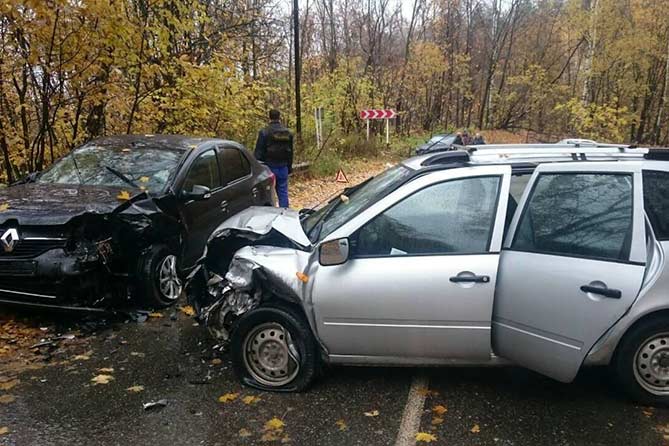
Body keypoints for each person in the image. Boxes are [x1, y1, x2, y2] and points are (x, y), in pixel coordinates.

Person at [254, 109, 293, 208]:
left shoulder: (264, 132)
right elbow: (290, 152)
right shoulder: (288, 133)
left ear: (269, 117)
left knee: (269, 194)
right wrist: (289, 167)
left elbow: (258, 152)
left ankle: (272, 215)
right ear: (279, 117)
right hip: (283, 166)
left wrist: (257, 168)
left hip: (269, 167)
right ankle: (284, 213)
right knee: (283, 192)